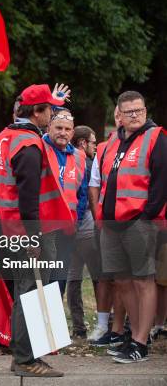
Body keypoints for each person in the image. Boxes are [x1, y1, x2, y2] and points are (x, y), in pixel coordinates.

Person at [0, 84, 66, 377]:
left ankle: (28, 355)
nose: (53, 114)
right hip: (29, 232)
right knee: (31, 293)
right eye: (49, 109)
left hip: (13, 228)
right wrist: (34, 237)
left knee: (28, 292)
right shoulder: (28, 144)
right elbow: (28, 198)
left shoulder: (5, 137)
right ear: (37, 112)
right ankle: (25, 359)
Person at [95, 90, 166, 363]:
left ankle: (140, 343)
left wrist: (147, 216)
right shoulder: (114, 141)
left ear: (145, 111)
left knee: (143, 280)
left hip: (139, 222)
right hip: (111, 224)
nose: (135, 115)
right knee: (122, 281)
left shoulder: (156, 137)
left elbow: (162, 181)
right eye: (129, 112)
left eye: (139, 110)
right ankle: (135, 335)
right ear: (119, 116)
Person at [87, 108, 127, 347]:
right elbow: (94, 185)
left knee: (128, 279)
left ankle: (122, 328)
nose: (123, 118)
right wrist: (98, 218)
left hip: (135, 223)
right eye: (120, 114)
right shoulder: (103, 148)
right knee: (105, 276)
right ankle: (104, 326)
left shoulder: (148, 144)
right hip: (107, 223)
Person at [42, 109, 87, 295]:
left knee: (59, 278)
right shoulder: (38, 147)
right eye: (58, 127)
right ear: (49, 127)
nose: (63, 132)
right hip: (43, 226)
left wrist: (79, 219)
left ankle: (53, 321)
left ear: (73, 132)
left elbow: (82, 193)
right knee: (39, 278)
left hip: (67, 227)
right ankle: (33, 323)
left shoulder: (79, 156)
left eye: (67, 129)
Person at [67, 125, 101, 339]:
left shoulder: (69, 160)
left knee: (73, 278)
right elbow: (90, 197)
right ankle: (104, 322)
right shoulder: (88, 163)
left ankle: (78, 328)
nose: (95, 147)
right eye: (93, 142)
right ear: (82, 143)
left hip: (70, 227)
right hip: (87, 227)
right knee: (99, 277)